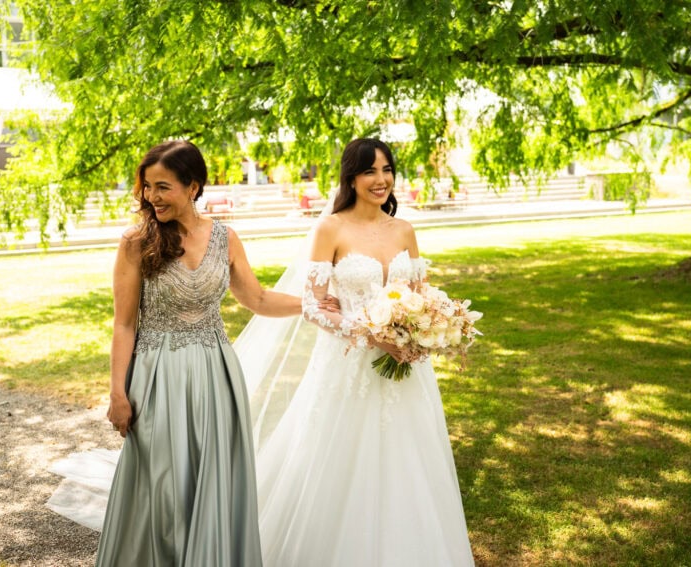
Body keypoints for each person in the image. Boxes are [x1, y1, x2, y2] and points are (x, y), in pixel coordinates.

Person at [86, 140, 335, 566]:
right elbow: (124, 323)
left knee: (213, 479)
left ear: (192, 187)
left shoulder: (225, 238)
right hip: (158, 374)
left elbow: (255, 298)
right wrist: (117, 393)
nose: (152, 197)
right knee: (162, 485)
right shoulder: (135, 243)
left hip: (215, 374)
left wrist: (309, 306)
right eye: (147, 187)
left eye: (162, 187)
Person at [252, 138, 475, 566]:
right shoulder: (330, 228)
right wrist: (372, 334)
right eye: (370, 171)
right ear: (351, 177)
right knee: (342, 461)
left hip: (407, 366)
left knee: (409, 458)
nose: (381, 180)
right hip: (349, 366)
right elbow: (314, 305)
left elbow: (417, 294)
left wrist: (424, 329)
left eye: (387, 170)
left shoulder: (404, 229)